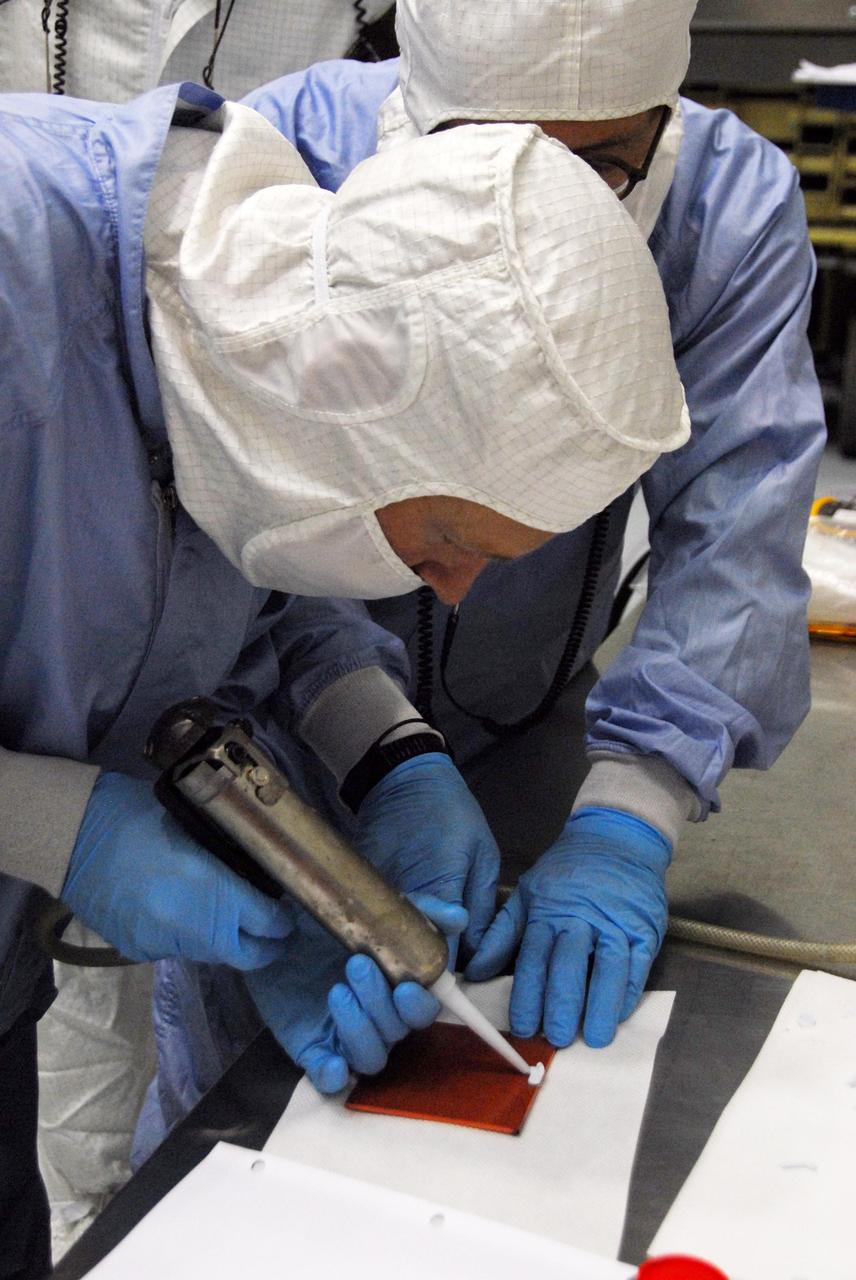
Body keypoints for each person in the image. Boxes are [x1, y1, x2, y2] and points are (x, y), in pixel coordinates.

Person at [0, 79, 687, 1275]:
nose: (452, 594)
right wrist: (55, 826)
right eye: (445, 546)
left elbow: (253, 563)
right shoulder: (19, 283)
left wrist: (394, 753)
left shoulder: (261, 337)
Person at [238, 0, 826, 1049]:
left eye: (601, 165)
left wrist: (627, 812)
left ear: (658, 115)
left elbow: (737, 516)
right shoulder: (281, 161)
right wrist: (374, 743)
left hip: (534, 718)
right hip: (283, 749)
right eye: (490, 161)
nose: (542, 211)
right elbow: (239, 526)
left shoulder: (723, 206)